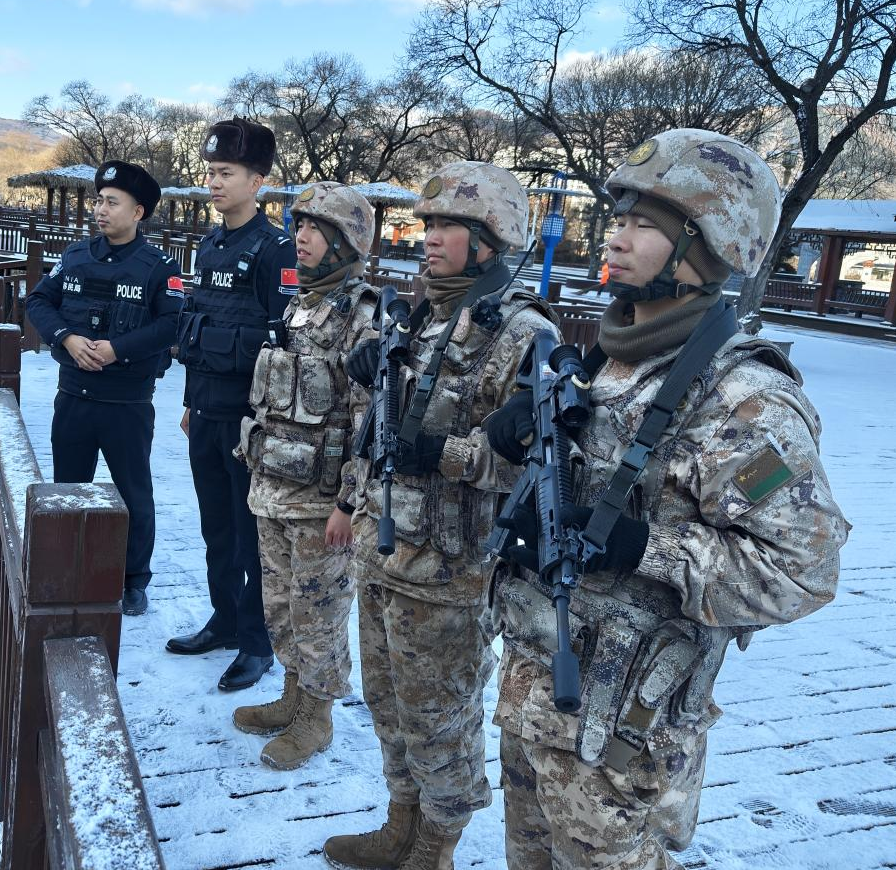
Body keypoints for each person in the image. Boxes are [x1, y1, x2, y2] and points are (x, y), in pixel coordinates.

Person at [484, 128, 851, 869]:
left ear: (709, 247)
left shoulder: (742, 400)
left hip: (624, 734)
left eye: (643, 224)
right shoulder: (605, 363)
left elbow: (803, 571)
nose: (615, 237)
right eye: (617, 218)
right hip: (535, 695)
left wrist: (642, 548)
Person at [323, 163, 556, 870]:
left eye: (448, 225)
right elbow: (379, 434)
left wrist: (444, 454)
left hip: (453, 574)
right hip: (385, 550)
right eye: (427, 224)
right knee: (387, 704)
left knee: (439, 721)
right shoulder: (421, 315)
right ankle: (401, 822)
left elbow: (538, 464)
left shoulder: (522, 333)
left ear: (490, 239)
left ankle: (435, 847)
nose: (428, 237)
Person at [231, 182, 379, 770]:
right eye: (300, 226)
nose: (302, 237)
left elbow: (371, 423)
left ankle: (316, 718)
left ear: (348, 241)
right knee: (281, 606)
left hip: (322, 505)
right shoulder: (301, 304)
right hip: (273, 491)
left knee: (319, 614)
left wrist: (349, 503)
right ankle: (293, 697)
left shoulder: (363, 317)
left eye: (318, 229)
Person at [168, 117, 298, 692]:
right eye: (211, 173)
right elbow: (197, 327)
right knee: (215, 529)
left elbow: (284, 341)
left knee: (251, 538)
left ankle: (256, 640)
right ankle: (223, 620)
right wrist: (190, 401)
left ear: (257, 182)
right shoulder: (210, 244)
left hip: (249, 420)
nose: (214, 183)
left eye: (226, 173)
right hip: (206, 411)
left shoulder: (275, 251)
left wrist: (268, 421)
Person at [24, 160, 183, 617]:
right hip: (74, 397)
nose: (101, 209)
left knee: (134, 494)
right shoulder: (75, 257)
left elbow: (172, 322)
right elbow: (39, 300)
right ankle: (66, 569)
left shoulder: (158, 267)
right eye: (99, 201)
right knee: (67, 489)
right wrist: (66, 338)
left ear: (138, 212)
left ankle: (134, 579)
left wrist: (118, 350)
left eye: (112, 202)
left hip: (126, 403)